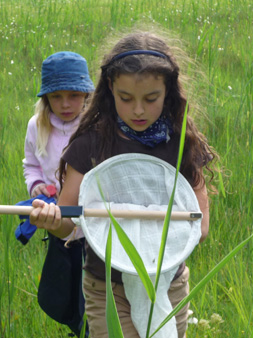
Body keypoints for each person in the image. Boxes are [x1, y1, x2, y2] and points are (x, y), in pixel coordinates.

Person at [29, 31, 218, 338]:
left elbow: (201, 226)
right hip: (106, 287)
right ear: (109, 92)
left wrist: (146, 222)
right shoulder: (91, 145)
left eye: (151, 99)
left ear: (168, 93)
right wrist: (52, 222)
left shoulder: (182, 145)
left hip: (167, 285)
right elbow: (67, 222)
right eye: (126, 99)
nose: (138, 110)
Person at [23, 51, 95, 198]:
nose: (65, 105)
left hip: (87, 206)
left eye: (74, 95)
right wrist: (36, 184)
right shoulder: (36, 126)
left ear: (86, 94)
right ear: (46, 98)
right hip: (50, 203)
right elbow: (31, 165)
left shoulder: (95, 126)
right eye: (56, 96)